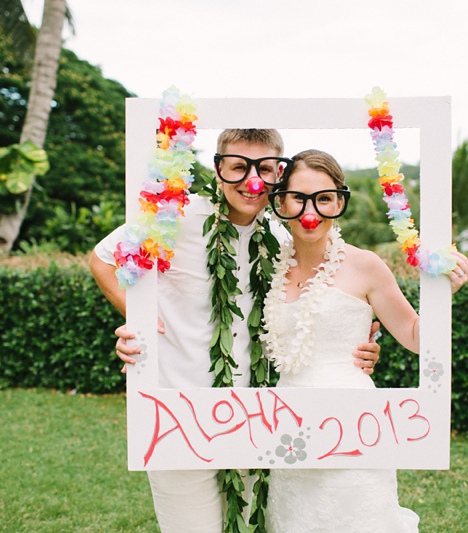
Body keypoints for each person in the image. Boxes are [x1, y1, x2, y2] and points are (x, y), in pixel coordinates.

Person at [89, 130, 383, 533]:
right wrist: (139, 322)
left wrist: (363, 343)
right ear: (218, 168)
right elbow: (103, 259)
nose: (252, 181)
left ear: (279, 173)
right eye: (239, 167)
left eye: (264, 169)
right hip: (177, 411)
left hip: (256, 419)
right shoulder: (172, 218)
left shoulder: (282, 238)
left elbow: (322, 302)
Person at [261, 149, 468, 532]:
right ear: (281, 202)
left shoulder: (365, 265)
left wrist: (445, 296)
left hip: (354, 424)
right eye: (299, 197)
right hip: (288, 424)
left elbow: (413, 336)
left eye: (323, 198)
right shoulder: (268, 264)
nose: (312, 210)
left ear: (339, 201)